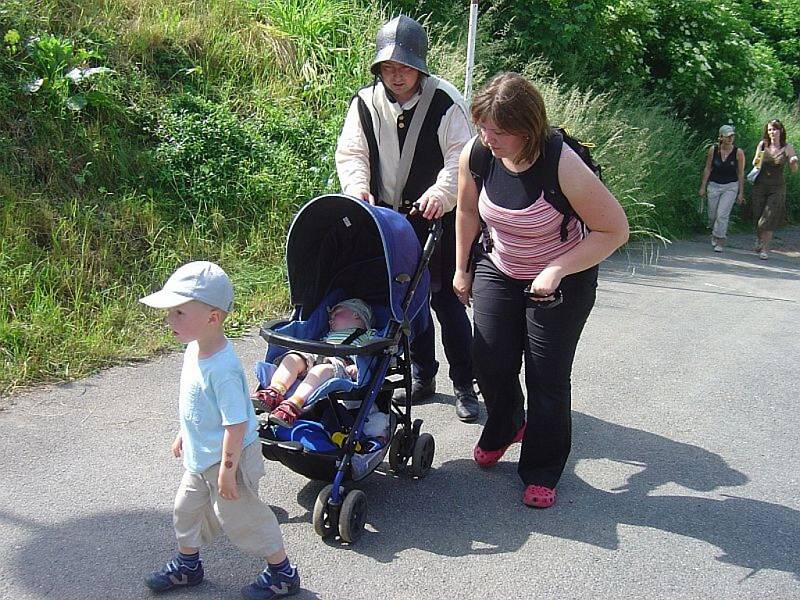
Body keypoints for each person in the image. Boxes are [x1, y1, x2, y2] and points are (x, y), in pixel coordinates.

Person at [453, 73, 629, 508]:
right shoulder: (477, 154)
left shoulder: (562, 163)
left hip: (562, 276)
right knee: (489, 360)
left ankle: (543, 468)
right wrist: (462, 268)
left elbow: (614, 230)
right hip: (501, 264)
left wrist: (557, 268)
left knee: (546, 377)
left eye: (499, 130)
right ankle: (507, 422)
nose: (487, 137)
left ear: (528, 128)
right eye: (482, 127)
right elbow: (468, 212)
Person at [335, 15, 480, 422]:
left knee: (446, 302)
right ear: (378, 67)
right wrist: (357, 189)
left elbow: (460, 158)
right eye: (388, 67)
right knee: (404, 302)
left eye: (404, 67)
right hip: (386, 221)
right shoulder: (365, 102)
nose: (396, 76)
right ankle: (422, 372)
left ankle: (465, 384)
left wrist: (441, 193)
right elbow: (352, 154)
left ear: (420, 65)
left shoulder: (445, 102)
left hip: (437, 218)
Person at [139, 261, 300, 600]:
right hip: (201, 458)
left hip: (231, 459)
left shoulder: (223, 368)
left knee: (245, 518)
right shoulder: (194, 348)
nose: (170, 320)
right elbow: (197, 406)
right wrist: (186, 433)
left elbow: (236, 424)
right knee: (186, 510)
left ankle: (282, 573)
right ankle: (188, 565)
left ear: (213, 317)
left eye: (179, 313)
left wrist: (227, 473)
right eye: (170, 312)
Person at [254, 298, 378, 428]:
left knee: (320, 370)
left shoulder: (369, 335)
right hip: (317, 353)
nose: (330, 320)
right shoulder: (329, 334)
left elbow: (378, 355)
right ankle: (274, 392)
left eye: (336, 314)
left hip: (341, 363)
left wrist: (358, 367)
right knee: (293, 357)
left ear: (356, 314)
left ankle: (292, 405)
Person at [751, 119, 799, 259]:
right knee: (758, 217)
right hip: (760, 185)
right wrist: (760, 154)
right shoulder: (762, 144)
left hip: (777, 187)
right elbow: (755, 162)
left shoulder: (787, 147)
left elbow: (794, 169)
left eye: (775, 129)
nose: (772, 132)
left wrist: (793, 161)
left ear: (781, 131)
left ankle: (765, 249)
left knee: (768, 218)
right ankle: (759, 239)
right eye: (770, 129)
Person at [698, 124, 745, 252]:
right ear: (721, 137)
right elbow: (708, 168)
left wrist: (741, 193)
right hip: (714, 185)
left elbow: (740, 173)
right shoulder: (713, 150)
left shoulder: (738, 153)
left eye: (732, 136)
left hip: (730, 186)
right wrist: (703, 187)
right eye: (727, 136)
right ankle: (715, 233)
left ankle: (720, 239)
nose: (730, 138)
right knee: (712, 215)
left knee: (722, 214)